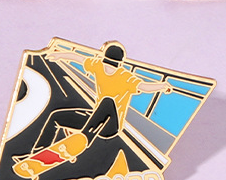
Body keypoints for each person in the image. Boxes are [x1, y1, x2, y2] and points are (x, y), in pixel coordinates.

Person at [41, 41, 174, 149]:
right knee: (56, 117)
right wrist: (60, 55)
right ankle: (39, 149)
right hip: (95, 120)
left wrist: (161, 86)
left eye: (112, 67)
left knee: (107, 101)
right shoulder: (98, 65)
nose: (108, 69)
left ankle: (84, 139)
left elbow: (143, 86)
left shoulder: (125, 77)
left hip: (111, 126)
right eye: (107, 66)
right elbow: (79, 58)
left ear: (118, 66)